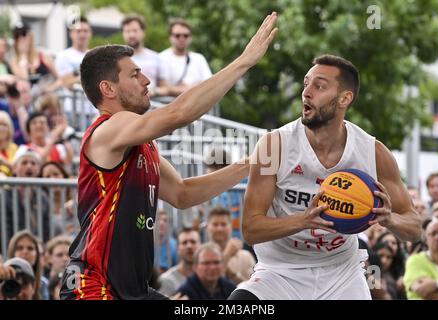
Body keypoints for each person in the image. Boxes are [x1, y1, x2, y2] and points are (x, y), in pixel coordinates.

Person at [59, 12, 278, 300]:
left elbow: (183, 194)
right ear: (108, 88)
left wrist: (250, 164)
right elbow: (179, 113)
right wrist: (244, 61)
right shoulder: (108, 128)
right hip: (93, 287)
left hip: (132, 289)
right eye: (135, 75)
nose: (147, 80)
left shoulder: (142, 146)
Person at [229, 54, 422, 300]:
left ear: (345, 98)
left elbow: (414, 228)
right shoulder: (273, 145)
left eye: (318, 86)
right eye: (306, 83)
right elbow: (251, 229)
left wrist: (389, 219)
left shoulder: (373, 152)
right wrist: (303, 220)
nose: (306, 92)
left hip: (341, 273)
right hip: (280, 271)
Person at [159, 18, 212, 97]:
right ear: (170, 37)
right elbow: (163, 85)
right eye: (177, 35)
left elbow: (209, 84)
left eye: (186, 35)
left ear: (191, 37)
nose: (182, 38)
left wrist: (174, 89)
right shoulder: (161, 58)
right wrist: (194, 87)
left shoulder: (199, 59)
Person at [121, 15, 170, 98]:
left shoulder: (156, 58)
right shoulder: (117, 59)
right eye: (127, 31)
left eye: (135, 31)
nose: (131, 35)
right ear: (123, 34)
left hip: (152, 105)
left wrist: (154, 91)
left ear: (143, 32)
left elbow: (165, 88)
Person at [206, 206, 256, 285]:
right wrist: (227, 255)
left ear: (231, 226)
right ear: (207, 227)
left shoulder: (246, 257)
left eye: (223, 224)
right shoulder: (199, 256)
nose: (219, 229)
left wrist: (233, 276)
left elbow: (252, 289)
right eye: (215, 224)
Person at [403, 218, 438, 299]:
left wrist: (437, 284)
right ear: (426, 238)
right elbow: (421, 289)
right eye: (433, 233)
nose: (437, 237)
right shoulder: (415, 261)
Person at [158, 228, 201, 297]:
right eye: (184, 243)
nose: (189, 246)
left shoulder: (209, 277)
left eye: (193, 242)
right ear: (177, 248)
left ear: (200, 246)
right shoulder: (166, 280)